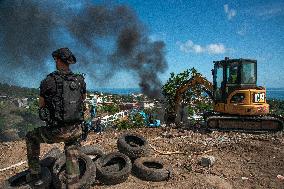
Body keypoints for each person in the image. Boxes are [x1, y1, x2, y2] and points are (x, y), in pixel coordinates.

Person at [25, 48, 86, 187]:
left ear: (58, 60)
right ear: (69, 62)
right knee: (72, 147)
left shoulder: (48, 81)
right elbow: (83, 101)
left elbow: (41, 106)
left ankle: (34, 173)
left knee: (31, 136)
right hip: (76, 130)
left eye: (55, 59)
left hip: (57, 132)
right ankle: (73, 182)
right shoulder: (80, 80)